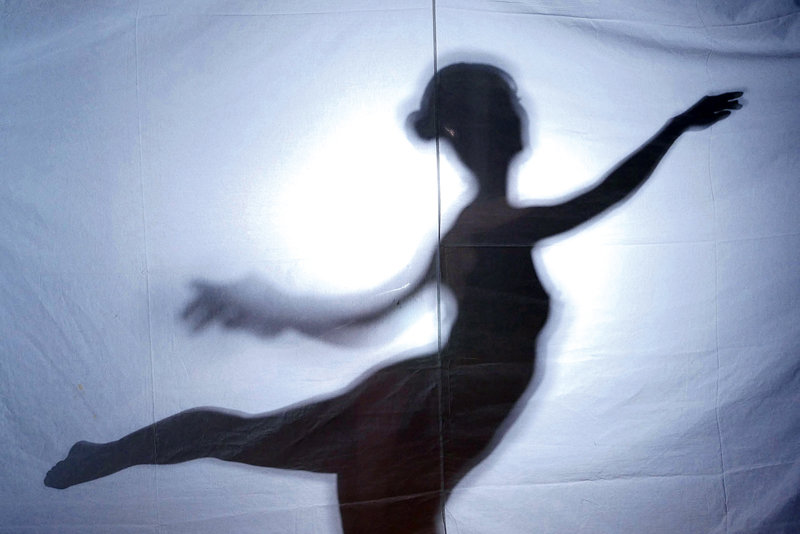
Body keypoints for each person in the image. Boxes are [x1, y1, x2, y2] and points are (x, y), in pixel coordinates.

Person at [45, 63, 742, 534]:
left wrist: (276, 310)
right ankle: (109, 453)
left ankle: (109, 453)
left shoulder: (473, 226)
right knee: (246, 438)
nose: (517, 120)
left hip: (433, 414)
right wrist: (674, 128)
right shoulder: (486, 226)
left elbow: (370, 316)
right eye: (503, 112)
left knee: (246, 437)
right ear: (479, 134)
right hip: (425, 411)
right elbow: (599, 198)